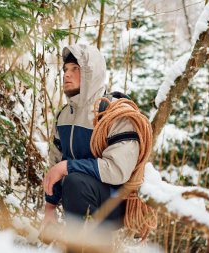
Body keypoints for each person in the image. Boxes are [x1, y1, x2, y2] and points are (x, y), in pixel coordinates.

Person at [41, 44, 140, 232]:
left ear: (90, 73)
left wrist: (68, 167)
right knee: (72, 180)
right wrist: (50, 207)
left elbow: (118, 170)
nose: (66, 75)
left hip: (115, 200)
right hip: (80, 195)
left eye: (75, 69)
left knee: (74, 180)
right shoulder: (64, 115)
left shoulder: (114, 112)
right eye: (65, 70)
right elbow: (56, 164)